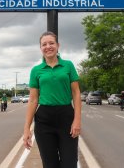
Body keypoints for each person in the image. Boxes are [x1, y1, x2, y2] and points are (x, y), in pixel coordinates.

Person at [23, 31, 82, 168]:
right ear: (40, 48)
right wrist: (27, 128)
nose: (48, 46)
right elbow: (33, 100)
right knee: (50, 165)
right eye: (44, 44)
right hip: (44, 120)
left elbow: (76, 93)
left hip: (66, 117)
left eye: (51, 43)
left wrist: (77, 120)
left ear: (58, 45)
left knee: (70, 163)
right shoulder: (36, 70)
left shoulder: (68, 65)